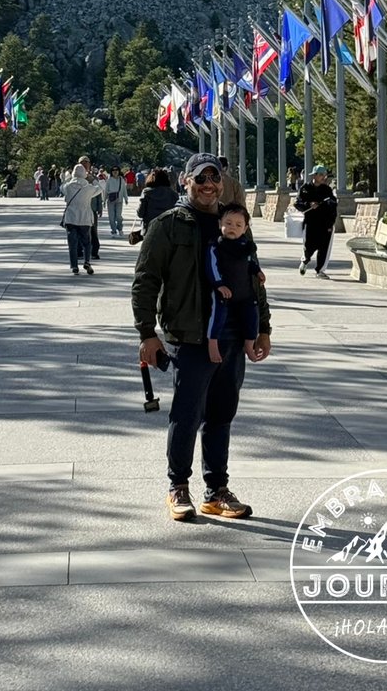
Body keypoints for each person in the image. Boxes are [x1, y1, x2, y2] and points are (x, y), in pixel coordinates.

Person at [132, 152, 271, 523]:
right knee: (187, 414)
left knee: (222, 414)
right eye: (201, 179)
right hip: (189, 336)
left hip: (231, 336)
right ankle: (178, 486)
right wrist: (147, 334)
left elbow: (253, 277)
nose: (209, 185)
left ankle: (216, 491)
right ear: (186, 180)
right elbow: (145, 282)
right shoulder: (168, 225)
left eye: (214, 178)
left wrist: (263, 328)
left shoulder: (235, 222)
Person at [206, 203, 265, 365]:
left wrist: (257, 271)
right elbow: (212, 267)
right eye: (228, 223)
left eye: (238, 225)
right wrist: (219, 284)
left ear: (245, 228)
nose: (233, 228)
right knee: (217, 314)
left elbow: (249, 262)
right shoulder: (216, 246)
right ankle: (212, 342)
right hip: (223, 291)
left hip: (244, 292)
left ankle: (249, 343)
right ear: (220, 224)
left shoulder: (245, 246)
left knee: (252, 315)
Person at [294, 164, 338, 279]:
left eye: (325, 175)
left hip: (325, 223)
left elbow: (333, 206)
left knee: (324, 248)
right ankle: (305, 260)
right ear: (314, 175)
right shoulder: (305, 188)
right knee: (309, 246)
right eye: (321, 175)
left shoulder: (327, 190)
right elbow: (297, 203)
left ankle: (320, 270)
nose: (324, 177)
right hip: (310, 223)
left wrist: (331, 223)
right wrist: (308, 205)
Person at [63, 163, 103, 275]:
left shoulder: (68, 187)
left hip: (71, 218)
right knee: (86, 242)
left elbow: (62, 187)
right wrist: (92, 179)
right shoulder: (88, 188)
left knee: (72, 244)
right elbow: (100, 188)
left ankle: (74, 266)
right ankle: (87, 261)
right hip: (85, 218)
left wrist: (68, 178)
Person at [136, 168, 178, 233]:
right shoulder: (173, 194)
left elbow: (140, 213)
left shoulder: (146, 192)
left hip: (149, 228)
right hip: (168, 229)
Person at [78, 155, 103, 259]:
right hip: (79, 208)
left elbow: (98, 192)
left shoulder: (93, 178)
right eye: (82, 163)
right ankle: (79, 251)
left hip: (91, 208)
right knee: (79, 230)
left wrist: (99, 207)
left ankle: (94, 251)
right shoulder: (74, 178)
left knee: (93, 230)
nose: (84, 165)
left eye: (86, 162)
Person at [104, 166, 128, 236]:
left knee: (118, 216)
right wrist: (104, 200)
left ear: (119, 171)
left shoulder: (121, 180)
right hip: (111, 200)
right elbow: (106, 191)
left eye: (116, 170)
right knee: (111, 217)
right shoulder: (109, 180)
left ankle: (120, 228)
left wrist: (126, 198)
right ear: (111, 172)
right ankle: (113, 230)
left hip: (119, 200)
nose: (115, 171)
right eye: (113, 170)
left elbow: (124, 190)